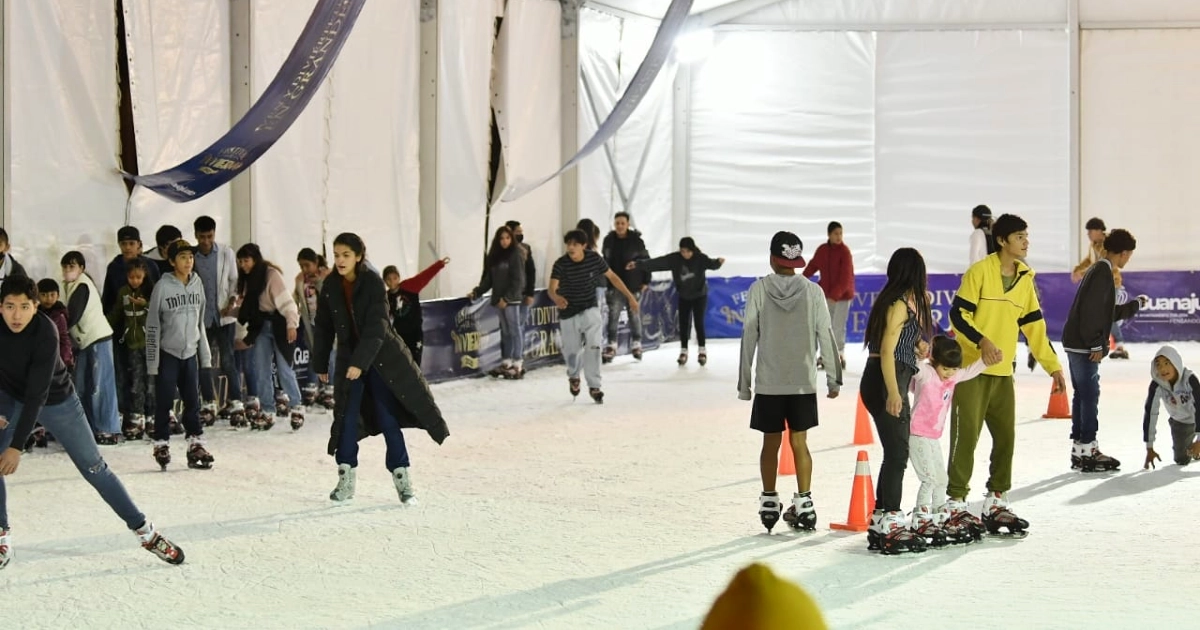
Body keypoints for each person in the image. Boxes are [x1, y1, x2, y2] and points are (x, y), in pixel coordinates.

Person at [0, 275, 184, 569]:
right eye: (9, 306)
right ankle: (1, 536)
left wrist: (16, 446)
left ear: (36, 306)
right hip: (11, 398)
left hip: (56, 401)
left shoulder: (45, 332)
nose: (17, 314)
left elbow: (38, 393)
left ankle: (145, 532)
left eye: (24, 306)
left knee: (95, 469)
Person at [947, 213, 1065, 538]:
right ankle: (955, 501)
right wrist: (981, 342)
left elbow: (1034, 327)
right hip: (972, 371)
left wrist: (1052, 365)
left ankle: (996, 499)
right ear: (1002, 241)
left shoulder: (1025, 278)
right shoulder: (980, 272)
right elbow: (957, 314)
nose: (1026, 242)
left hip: (1003, 374)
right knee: (965, 439)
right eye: (1020, 237)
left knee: (1005, 440)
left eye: (1027, 236)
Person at [312, 233, 450, 505]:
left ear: (359, 256)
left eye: (346, 255)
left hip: (382, 359)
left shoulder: (373, 283)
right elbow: (324, 325)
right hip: (350, 360)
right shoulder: (330, 285)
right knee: (346, 419)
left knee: (388, 418)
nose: (340, 260)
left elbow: (378, 329)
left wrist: (359, 363)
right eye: (337, 255)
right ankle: (346, 478)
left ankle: (403, 480)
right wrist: (320, 361)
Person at [738, 231, 841, 534]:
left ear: (772, 259)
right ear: (796, 261)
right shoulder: (813, 292)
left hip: (770, 382)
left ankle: (769, 500)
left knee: (770, 442)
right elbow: (827, 334)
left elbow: (749, 336)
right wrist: (833, 379)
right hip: (802, 382)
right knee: (799, 441)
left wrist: (745, 384)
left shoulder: (758, 289)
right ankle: (805, 503)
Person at [858, 247, 934, 554]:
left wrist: (918, 343)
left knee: (895, 451)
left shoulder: (899, 301)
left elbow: (898, 339)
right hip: (884, 379)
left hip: (887, 376)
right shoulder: (899, 304)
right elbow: (886, 350)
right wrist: (893, 392)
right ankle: (889, 517)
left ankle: (881, 518)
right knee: (897, 453)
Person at [1062, 228, 1142, 472]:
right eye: (1129, 255)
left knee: (1082, 394)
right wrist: (1096, 343)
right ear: (1124, 252)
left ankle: (1079, 449)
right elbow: (1092, 312)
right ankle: (1088, 448)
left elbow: (1106, 312)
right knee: (1089, 395)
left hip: (1076, 341)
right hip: (1083, 343)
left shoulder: (1099, 269)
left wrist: (1133, 306)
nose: (1129, 259)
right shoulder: (1103, 272)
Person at [907, 335, 993, 547]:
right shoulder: (927, 373)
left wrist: (986, 361)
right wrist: (919, 354)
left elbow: (969, 371)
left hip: (933, 436)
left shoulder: (953, 376)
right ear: (935, 362)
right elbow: (914, 368)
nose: (950, 374)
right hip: (917, 434)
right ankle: (921, 517)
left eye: (954, 369)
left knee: (942, 480)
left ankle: (938, 516)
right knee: (929, 479)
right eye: (945, 369)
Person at [548, 229, 640, 403]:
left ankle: (594, 385)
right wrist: (557, 297)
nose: (571, 248)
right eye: (568, 244)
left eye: (575, 244)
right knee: (573, 350)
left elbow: (613, 277)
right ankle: (574, 376)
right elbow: (552, 288)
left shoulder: (594, 259)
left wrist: (630, 298)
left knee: (594, 347)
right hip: (568, 311)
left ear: (583, 245)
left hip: (590, 308)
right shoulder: (561, 264)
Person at [146, 240, 213, 471]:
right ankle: (161, 442)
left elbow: (200, 321)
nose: (188, 262)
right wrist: (153, 362)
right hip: (168, 354)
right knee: (164, 400)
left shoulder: (197, 284)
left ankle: (195, 442)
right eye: (183, 257)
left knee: (192, 400)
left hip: (190, 353)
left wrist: (204, 355)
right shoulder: (162, 288)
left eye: (191, 257)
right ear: (172, 261)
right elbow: (153, 325)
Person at [236, 243, 304, 430]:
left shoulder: (271, 275)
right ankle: (267, 410)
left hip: (281, 324)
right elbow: (248, 308)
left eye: (246, 260)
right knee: (262, 369)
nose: (244, 265)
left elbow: (287, 303)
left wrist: (292, 325)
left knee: (283, 369)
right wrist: (229, 312)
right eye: (240, 261)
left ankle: (297, 406)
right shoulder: (247, 280)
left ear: (255, 259)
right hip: (261, 327)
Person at [630, 237, 724, 365]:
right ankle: (684, 351)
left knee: (698, 322)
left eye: (687, 251)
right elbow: (657, 263)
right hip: (684, 296)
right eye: (682, 251)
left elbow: (712, 264)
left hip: (699, 296)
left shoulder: (700, 258)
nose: (685, 254)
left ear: (692, 250)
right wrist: (638, 264)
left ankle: (702, 350)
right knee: (683, 324)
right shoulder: (675, 259)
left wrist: (718, 262)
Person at [61, 251, 122, 444]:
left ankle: (108, 428)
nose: (68, 270)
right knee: (84, 385)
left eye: (72, 266)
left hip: (98, 339)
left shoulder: (82, 285)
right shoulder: (71, 285)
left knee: (100, 386)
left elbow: (73, 315)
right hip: (85, 341)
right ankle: (89, 427)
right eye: (65, 267)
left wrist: (57, 329)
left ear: (81, 268)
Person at [193, 216, 240, 423]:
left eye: (209, 236)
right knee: (204, 361)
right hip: (202, 318)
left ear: (214, 233)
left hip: (223, 317)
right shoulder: (191, 256)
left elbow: (234, 281)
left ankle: (236, 400)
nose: (205, 241)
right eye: (202, 237)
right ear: (195, 235)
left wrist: (231, 301)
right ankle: (208, 401)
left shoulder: (225, 253)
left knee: (228, 359)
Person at [106, 258, 154, 440]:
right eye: (132, 277)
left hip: (149, 342)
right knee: (135, 380)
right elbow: (116, 313)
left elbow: (159, 312)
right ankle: (137, 416)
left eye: (139, 277)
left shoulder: (149, 292)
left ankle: (152, 416)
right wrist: (104, 326)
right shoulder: (123, 293)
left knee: (151, 381)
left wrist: (144, 304)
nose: (135, 281)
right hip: (132, 343)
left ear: (144, 276)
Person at [469, 226, 527, 378]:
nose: (505, 241)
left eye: (507, 238)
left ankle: (517, 362)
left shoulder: (516, 255)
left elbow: (518, 280)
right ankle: (506, 361)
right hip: (498, 300)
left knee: (515, 330)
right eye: (502, 238)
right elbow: (489, 279)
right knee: (506, 331)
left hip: (511, 300)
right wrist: (477, 292)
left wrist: (507, 299)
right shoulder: (495, 256)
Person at [1071, 217, 1130, 359]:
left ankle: (1119, 345)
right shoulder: (1094, 245)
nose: (1088, 234)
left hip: (1111, 283)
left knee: (1107, 315)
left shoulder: (1106, 245)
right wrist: (1078, 269)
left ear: (1099, 230)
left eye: (1090, 231)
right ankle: (1109, 343)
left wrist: (1082, 273)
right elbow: (1090, 260)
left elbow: (1101, 265)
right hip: (1103, 285)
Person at [802, 221, 855, 370]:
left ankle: (839, 354)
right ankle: (826, 354)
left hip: (842, 297)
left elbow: (846, 278)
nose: (839, 237)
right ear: (829, 235)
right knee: (824, 326)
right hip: (826, 295)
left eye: (841, 233)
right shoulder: (823, 250)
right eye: (836, 234)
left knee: (837, 326)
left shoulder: (845, 252)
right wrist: (801, 280)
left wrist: (835, 295)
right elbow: (812, 266)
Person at [382, 257, 449, 367]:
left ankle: (416, 383)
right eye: (388, 279)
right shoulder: (386, 297)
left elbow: (426, 275)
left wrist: (439, 264)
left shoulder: (410, 286)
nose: (392, 281)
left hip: (415, 333)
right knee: (402, 362)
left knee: (415, 362)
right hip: (399, 335)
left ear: (399, 277)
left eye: (394, 278)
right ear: (385, 281)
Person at [601, 212, 650, 362]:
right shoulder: (609, 241)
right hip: (614, 286)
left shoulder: (637, 241)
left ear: (628, 224)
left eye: (623, 223)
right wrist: (606, 284)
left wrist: (646, 281)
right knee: (613, 315)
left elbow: (646, 260)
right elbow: (604, 263)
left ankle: (636, 343)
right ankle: (612, 345)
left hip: (633, 285)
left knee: (634, 315)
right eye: (617, 223)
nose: (620, 226)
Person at [1143, 346, 1200, 468]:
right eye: (1158, 364)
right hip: (1180, 423)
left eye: (1166, 363)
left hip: (1197, 418)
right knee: (1181, 459)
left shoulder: (1189, 379)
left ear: (1176, 363)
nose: (1162, 368)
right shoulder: (1157, 385)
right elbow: (1151, 413)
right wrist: (1149, 446)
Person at [504, 220, 537, 321]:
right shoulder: (501, 250)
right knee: (510, 328)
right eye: (518, 232)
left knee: (520, 325)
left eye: (521, 232)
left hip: (523, 294)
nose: (520, 234)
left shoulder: (525, 248)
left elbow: (531, 271)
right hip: (507, 296)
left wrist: (530, 293)